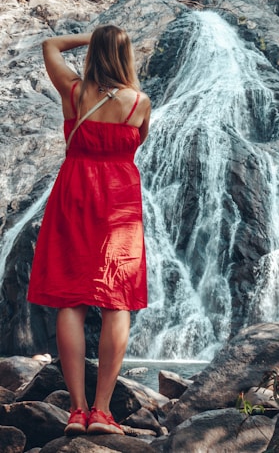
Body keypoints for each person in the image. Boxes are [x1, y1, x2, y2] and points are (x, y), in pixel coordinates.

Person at [27, 25, 151, 436]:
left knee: (72, 299)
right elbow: (135, 146)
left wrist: (91, 38)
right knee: (117, 300)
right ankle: (102, 411)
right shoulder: (140, 103)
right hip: (119, 199)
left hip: (75, 193)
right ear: (127, 56)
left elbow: (50, 45)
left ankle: (76, 412)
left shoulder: (76, 92)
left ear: (94, 53)